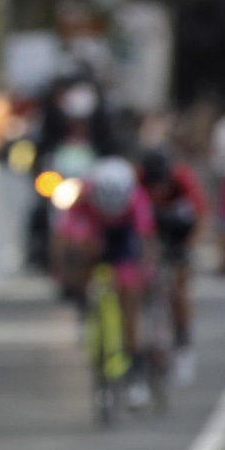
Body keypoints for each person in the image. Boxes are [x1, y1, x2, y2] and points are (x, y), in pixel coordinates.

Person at [54, 156, 157, 405]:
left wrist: (145, 273)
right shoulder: (82, 195)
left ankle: (135, 372)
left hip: (124, 240)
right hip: (96, 234)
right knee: (84, 251)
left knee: (128, 297)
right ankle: (86, 308)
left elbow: (145, 241)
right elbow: (62, 239)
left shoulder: (136, 199)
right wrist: (64, 276)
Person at [138, 148, 204, 384]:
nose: (156, 187)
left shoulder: (182, 178)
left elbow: (199, 215)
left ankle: (183, 342)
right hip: (151, 227)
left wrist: (188, 246)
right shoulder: (138, 180)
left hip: (178, 230)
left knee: (179, 287)